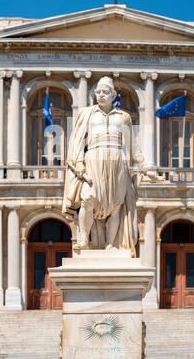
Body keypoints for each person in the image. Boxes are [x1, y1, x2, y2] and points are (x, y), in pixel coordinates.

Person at [62, 76, 157, 255]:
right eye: (98, 92)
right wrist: (79, 163)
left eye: (105, 92)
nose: (101, 95)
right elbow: (77, 142)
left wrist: (144, 166)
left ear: (113, 95)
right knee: (87, 199)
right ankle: (83, 238)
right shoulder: (87, 114)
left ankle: (110, 243)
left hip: (117, 163)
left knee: (115, 205)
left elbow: (132, 145)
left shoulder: (124, 117)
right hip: (93, 161)